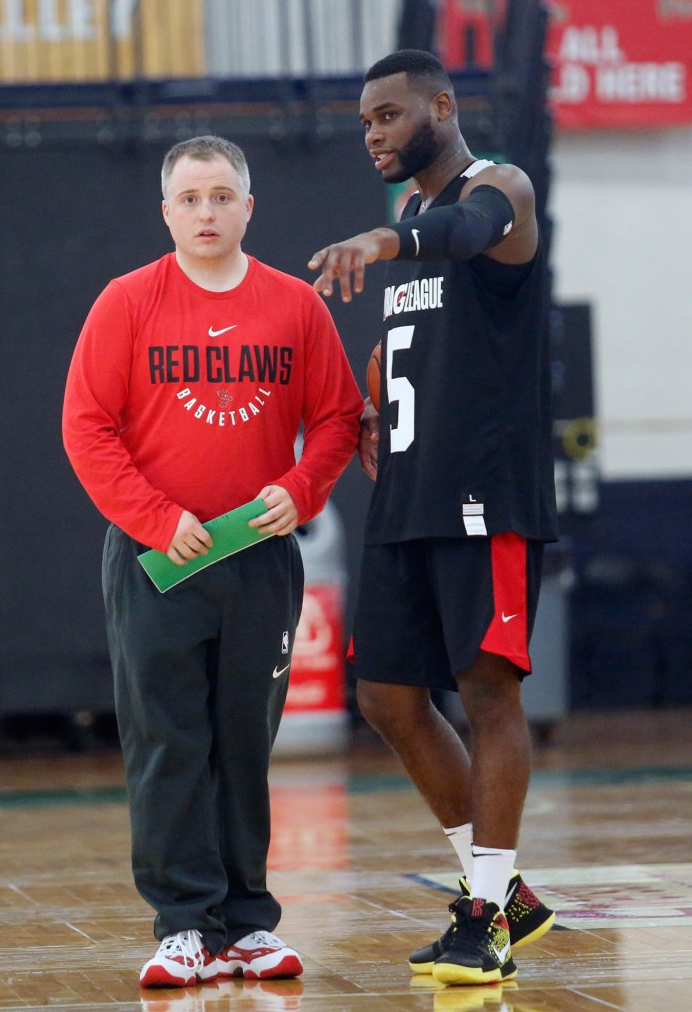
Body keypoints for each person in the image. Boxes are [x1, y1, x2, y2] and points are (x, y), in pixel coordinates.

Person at [63, 135, 363, 989]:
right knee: (166, 739)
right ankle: (180, 925)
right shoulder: (126, 302)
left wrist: (303, 489)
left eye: (222, 196)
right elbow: (86, 427)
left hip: (260, 562)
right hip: (159, 561)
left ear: (248, 206)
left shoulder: (295, 306)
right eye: (190, 198)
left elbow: (339, 415)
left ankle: (246, 924)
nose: (206, 212)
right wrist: (157, 519)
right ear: (166, 211)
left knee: (243, 740)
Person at [308, 50, 559, 987]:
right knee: (385, 697)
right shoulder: (412, 216)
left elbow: (466, 233)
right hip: (406, 491)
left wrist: (381, 245)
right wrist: (374, 387)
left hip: (482, 491)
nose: (372, 133)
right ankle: (508, 900)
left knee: (487, 691)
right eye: (364, 122)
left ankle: (485, 917)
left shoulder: (499, 189)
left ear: (441, 107)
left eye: (387, 114)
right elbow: (420, 318)